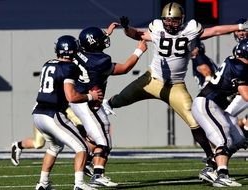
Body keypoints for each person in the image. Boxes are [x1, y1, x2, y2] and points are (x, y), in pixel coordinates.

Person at [102, 1, 248, 181]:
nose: (171, 24)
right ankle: (105, 105)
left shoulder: (190, 29)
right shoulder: (156, 28)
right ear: (163, 20)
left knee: (194, 120)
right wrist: (126, 28)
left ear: (182, 20)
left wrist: (239, 26)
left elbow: (216, 31)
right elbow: (138, 35)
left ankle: (211, 158)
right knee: (120, 99)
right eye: (168, 21)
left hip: (175, 86)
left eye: (175, 21)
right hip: (151, 79)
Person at [70, 25, 147, 187]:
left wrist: (105, 32)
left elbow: (90, 43)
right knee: (105, 141)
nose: (105, 40)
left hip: (78, 98)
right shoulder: (100, 61)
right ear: (95, 44)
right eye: (102, 39)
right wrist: (139, 51)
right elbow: (125, 68)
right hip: (90, 102)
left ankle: (90, 161)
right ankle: (97, 174)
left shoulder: (78, 51)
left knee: (98, 134)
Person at [32, 35, 103, 190]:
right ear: (74, 50)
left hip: (38, 114)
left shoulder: (48, 63)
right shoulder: (69, 68)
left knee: (54, 147)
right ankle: (79, 184)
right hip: (52, 114)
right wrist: (91, 96)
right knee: (82, 147)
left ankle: (43, 184)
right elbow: (71, 96)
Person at [191, 38, 248, 187]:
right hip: (207, 103)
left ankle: (212, 168)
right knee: (222, 138)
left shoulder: (235, 62)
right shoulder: (240, 67)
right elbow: (245, 94)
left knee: (238, 139)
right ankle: (222, 175)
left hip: (217, 107)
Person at [11, 107, 83, 167]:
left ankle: (86, 158)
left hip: (53, 117)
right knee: (38, 144)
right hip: (43, 116)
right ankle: (18, 145)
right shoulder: (49, 96)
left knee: (57, 146)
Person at [224, 18, 248, 117]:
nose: (241, 33)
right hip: (244, 87)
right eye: (238, 31)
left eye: (244, 30)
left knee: (226, 117)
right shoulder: (237, 48)